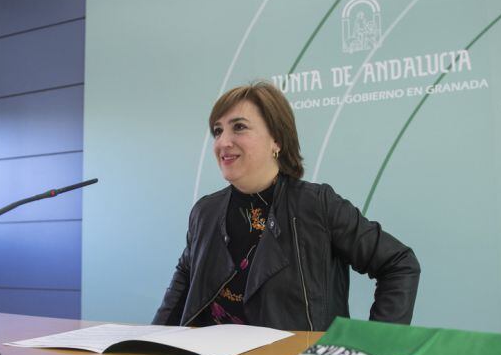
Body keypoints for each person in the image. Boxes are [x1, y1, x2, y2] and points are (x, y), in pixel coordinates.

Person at [153, 81, 420, 330]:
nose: (223, 142)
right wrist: (149, 345)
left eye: (239, 127)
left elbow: (398, 263)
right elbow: (185, 281)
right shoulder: (205, 212)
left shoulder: (317, 204)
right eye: (218, 131)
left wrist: (377, 346)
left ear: (276, 140)